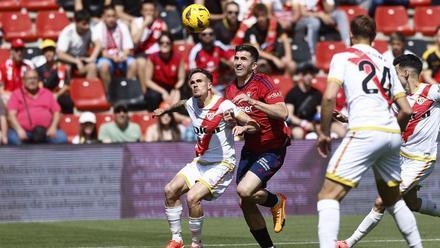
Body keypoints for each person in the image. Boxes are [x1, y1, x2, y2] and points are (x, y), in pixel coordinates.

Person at [315, 15, 422, 248]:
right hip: (392, 132)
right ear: (374, 37)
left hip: (364, 130)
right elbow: (405, 110)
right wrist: (392, 135)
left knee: (327, 196)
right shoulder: (386, 63)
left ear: (350, 35)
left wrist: (324, 133)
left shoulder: (343, 57)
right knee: (393, 200)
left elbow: (330, 96)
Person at [337, 54, 440, 247]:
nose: (391, 77)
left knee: (381, 201)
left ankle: (347, 243)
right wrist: (348, 119)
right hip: (401, 160)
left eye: (395, 73)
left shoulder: (432, 92)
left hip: (421, 160)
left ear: (406, 73)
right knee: (412, 204)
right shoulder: (399, 101)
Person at [156, 68, 260, 248]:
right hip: (200, 162)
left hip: (222, 163)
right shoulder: (192, 103)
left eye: (199, 81)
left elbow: (254, 124)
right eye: (192, 82)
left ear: (210, 84)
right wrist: (165, 110)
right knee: (170, 190)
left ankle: (196, 243)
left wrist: (243, 128)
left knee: (192, 197)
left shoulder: (224, 105)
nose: (195, 85)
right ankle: (177, 240)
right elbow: (181, 102)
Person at [224, 44, 291, 248]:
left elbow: (283, 113)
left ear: (254, 65)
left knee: (245, 191)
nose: (238, 62)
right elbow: (241, 121)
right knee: (245, 200)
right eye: (236, 58)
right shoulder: (230, 89)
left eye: (244, 59)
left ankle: (275, 202)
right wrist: (231, 121)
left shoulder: (263, 82)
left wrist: (253, 102)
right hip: (251, 148)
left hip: (273, 146)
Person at [7, 70, 67, 145]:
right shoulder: (16, 94)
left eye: (34, 78)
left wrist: (53, 127)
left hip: (46, 131)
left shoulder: (47, 93)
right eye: (29, 78)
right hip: (25, 132)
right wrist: (19, 129)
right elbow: (11, 115)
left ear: (38, 80)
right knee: (13, 138)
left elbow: (57, 112)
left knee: (61, 138)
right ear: (23, 80)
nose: (32, 81)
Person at [244, 3, 295, 75]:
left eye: (262, 16)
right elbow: (257, 51)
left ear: (266, 15)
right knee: (262, 66)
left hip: (277, 54)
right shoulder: (251, 31)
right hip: (263, 58)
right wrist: (273, 59)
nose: (260, 19)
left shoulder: (275, 24)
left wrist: (288, 56)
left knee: (291, 65)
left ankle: (284, 84)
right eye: (258, 16)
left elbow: (285, 40)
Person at [93, 5, 137, 89]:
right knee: (103, 66)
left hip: (121, 57)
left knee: (133, 63)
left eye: (113, 16)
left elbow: (127, 47)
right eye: (108, 16)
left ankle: (127, 91)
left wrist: (123, 55)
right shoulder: (98, 28)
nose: (111, 19)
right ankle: (110, 93)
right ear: (103, 17)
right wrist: (113, 58)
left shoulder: (122, 26)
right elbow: (101, 51)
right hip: (106, 57)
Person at [131, 0, 167, 91]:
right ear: (141, 11)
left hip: (156, 54)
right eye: (146, 10)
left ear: (155, 12)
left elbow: (167, 40)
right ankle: (145, 93)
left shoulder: (161, 24)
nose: (148, 13)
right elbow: (135, 40)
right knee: (141, 63)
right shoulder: (136, 22)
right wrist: (144, 25)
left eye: (151, 10)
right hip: (141, 53)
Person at [144, 32, 184, 112]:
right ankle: (154, 116)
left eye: (167, 43)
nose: (164, 45)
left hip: (173, 86)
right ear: (158, 44)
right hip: (157, 88)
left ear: (172, 44)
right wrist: (163, 92)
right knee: (152, 96)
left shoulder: (178, 57)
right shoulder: (152, 57)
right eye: (162, 42)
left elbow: (181, 79)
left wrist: (175, 89)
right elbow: (147, 81)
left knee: (184, 96)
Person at [57, 10, 100, 80]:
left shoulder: (90, 29)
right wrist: (76, 61)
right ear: (76, 22)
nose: (87, 26)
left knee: (92, 67)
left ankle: (88, 89)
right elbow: (60, 54)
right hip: (68, 60)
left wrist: (92, 58)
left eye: (88, 23)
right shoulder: (68, 32)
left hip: (82, 59)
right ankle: (68, 89)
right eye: (84, 24)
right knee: (66, 68)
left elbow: (98, 44)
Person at [36, 39, 74, 114]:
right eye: (46, 51)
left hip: (60, 94)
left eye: (50, 51)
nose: (48, 54)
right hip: (46, 95)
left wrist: (57, 95)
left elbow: (66, 85)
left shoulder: (62, 67)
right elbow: (40, 86)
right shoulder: (39, 69)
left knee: (67, 102)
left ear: (54, 52)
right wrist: (49, 96)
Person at [285, 63, 322, 139]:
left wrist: (315, 123)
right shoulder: (292, 93)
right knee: (298, 133)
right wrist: (303, 123)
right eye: (305, 73)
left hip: (314, 124)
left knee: (329, 130)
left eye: (311, 74)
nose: (308, 77)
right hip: (297, 125)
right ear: (300, 75)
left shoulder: (317, 93)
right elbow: (289, 115)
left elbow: (320, 112)